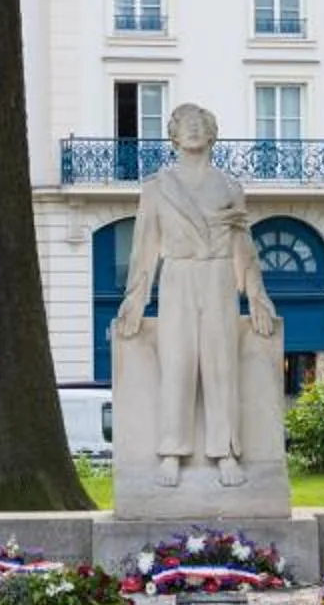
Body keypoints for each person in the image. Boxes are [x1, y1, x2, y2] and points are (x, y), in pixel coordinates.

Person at [114, 102, 280, 487]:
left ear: (211, 134)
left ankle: (225, 451)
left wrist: (256, 295)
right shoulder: (157, 187)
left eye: (198, 124)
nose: (191, 129)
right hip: (178, 275)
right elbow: (144, 246)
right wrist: (136, 298)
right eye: (184, 124)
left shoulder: (228, 186)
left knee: (221, 364)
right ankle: (172, 451)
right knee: (178, 362)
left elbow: (245, 247)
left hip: (218, 274)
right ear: (173, 135)